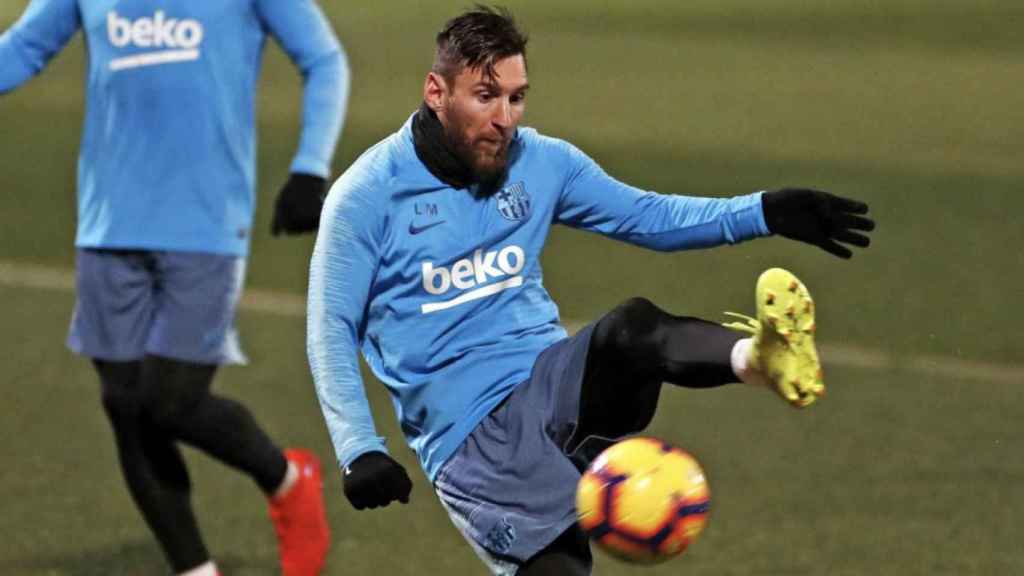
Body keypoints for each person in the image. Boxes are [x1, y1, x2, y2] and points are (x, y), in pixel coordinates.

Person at [307, 6, 874, 576]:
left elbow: (650, 217)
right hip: (473, 441)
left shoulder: (541, 162)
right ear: (436, 91)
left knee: (633, 329)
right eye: (485, 96)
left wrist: (765, 211)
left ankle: (759, 358)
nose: (505, 118)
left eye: (517, 97)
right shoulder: (366, 197)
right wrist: (360, 447)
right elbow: (331, 326)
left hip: (554, 383)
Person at [1, 1, 349, 574]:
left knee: (172, 400)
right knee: (124, 404)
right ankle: (194, 568)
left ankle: (286, 478)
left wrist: (311, 167)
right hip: (107, 222)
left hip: (206, 222)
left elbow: (324, 59)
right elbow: (22, 48)